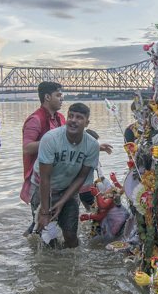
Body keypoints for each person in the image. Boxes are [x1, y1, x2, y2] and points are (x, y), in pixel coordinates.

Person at [33, 102, 99, 248]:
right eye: (71, 116)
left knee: (70, 236)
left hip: (68, 190)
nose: (73, 120)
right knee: (45, 236)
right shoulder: (50, 139)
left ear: (87, 123)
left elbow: (81, 177)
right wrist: (44, 213)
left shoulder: (92, 145)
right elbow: (45, 178)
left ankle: (70, 265)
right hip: (43, 188)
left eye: (79, 117)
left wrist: (62, 202)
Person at [21, 81, 65, 236]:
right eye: (58, 95)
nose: (62, 99)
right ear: (47, 97)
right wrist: (51, 142)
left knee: (53, 223)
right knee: (41, 224)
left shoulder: (60, 118)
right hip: (38, 180)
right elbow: (27, 147)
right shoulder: (35, 119)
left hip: (57, 179)